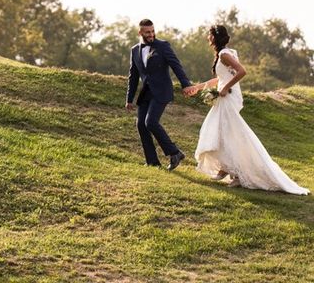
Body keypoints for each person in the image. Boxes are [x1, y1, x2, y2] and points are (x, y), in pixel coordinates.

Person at [187, 25, 309, 195]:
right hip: (228, 96)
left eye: (209, 35)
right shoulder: (226, 53)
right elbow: (221, 77)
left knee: (224, 131)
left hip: (228, 97)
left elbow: (241, 72)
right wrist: (199, 87)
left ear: (214, 38)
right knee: (221, 131)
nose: (208, 38)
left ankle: (235, 172)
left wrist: (224, 88)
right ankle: (226, 168)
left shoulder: (224, 54)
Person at [126, 19, 193, 170]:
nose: (151, 34)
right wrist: (129, 99)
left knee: (150, 122)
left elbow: (176, 65)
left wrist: (185, 84)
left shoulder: (163, 46)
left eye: (152, 31)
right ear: (140, 32)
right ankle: (152, 161)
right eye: (147, 32)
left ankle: (175, 153)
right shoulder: (135, 50)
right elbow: (133, 76)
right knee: (141, 125)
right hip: (146, 93)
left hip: (162, 91)